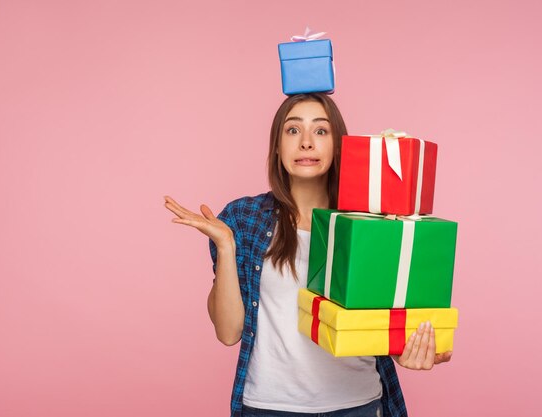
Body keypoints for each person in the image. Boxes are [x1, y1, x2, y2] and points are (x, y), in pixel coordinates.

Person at [164, 93, 452, 417]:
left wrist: (410, 349)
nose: (306, 143)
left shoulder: (373, 221)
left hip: (357, 405)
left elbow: (385, 318)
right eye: (292, 130)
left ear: (338, 145)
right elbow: (228, 332)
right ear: (276, 145)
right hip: (268, 408)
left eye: (320, 131)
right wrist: (226, 247)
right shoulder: (242, 219)